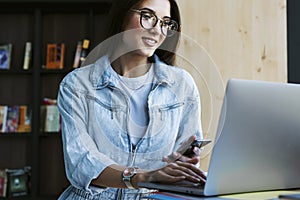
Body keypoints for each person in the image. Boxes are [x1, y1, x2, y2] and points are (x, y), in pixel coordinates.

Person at [57, 0, 206, 199]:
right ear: (122, 16)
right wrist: (140, 177)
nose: (157, 30)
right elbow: (81, 162)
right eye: (147, 17)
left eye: (165, 23)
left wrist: (182, 164)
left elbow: (186, 159)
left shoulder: (181, 84)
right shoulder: (77, 84)